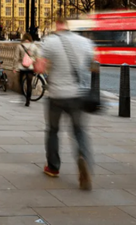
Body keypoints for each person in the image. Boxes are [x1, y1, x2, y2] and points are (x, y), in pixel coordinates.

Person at [34, 17, 94, 190]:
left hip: (57, 95)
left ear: (57, 27)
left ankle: (53, 167)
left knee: (53, 130)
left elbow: (39, 68)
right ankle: (82, 159)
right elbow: (92, 66)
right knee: (79, 131)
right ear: (69, 27)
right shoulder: (85, 42)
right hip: (78, 95)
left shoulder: (50, 42)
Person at [15, 33, 39, 107]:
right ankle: (28, 100)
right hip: (30, 67)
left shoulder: (20, 46)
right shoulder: (33, 46)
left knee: (20, 81)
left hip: (22, 67)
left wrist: (14, 68)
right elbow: (38, 56)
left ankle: (23, 93)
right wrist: (32, 60)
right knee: (29, 84)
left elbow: (16, 58)